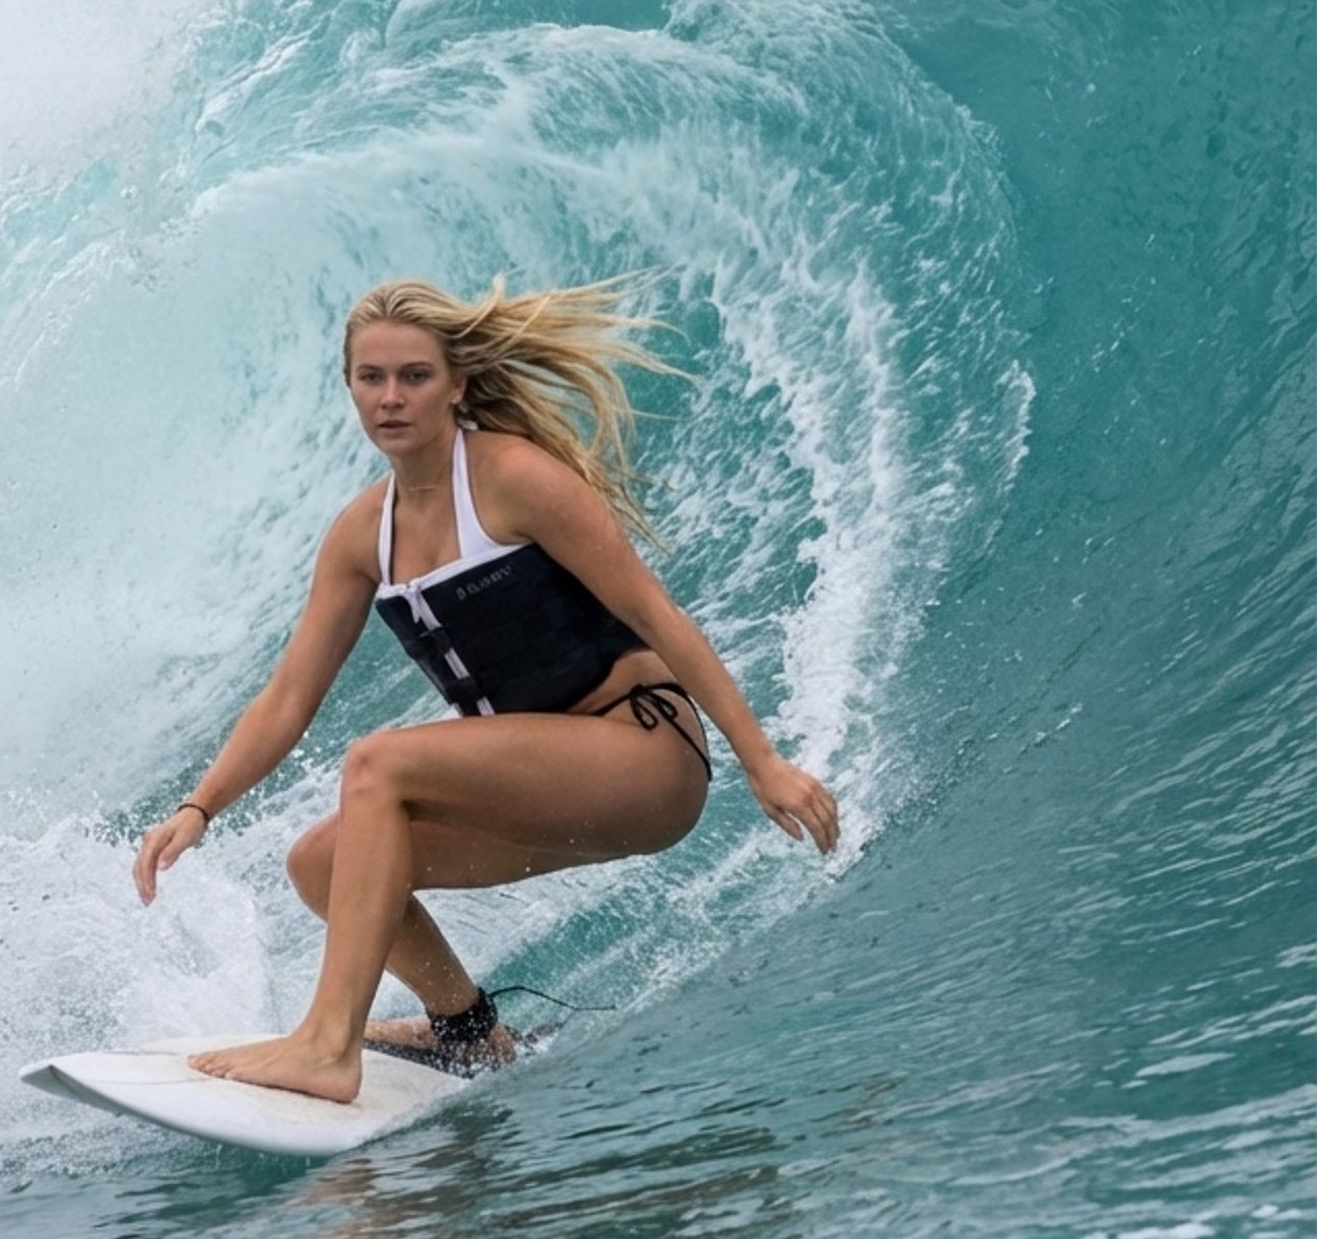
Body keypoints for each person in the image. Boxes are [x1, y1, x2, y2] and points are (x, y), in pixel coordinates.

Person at [131, 276, 839, 1102]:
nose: (391, 397)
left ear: (457, 383)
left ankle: (327, 1047)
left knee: (379, 766)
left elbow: (659, 614)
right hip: (552, 789)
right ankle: (468, 1035)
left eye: (414, 376)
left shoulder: (511, 477)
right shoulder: (363, 534)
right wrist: (199, 807)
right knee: (323, 863)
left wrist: (764, 762)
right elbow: (289, 698)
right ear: (350, 387)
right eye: (371, 378)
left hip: (643, 754)